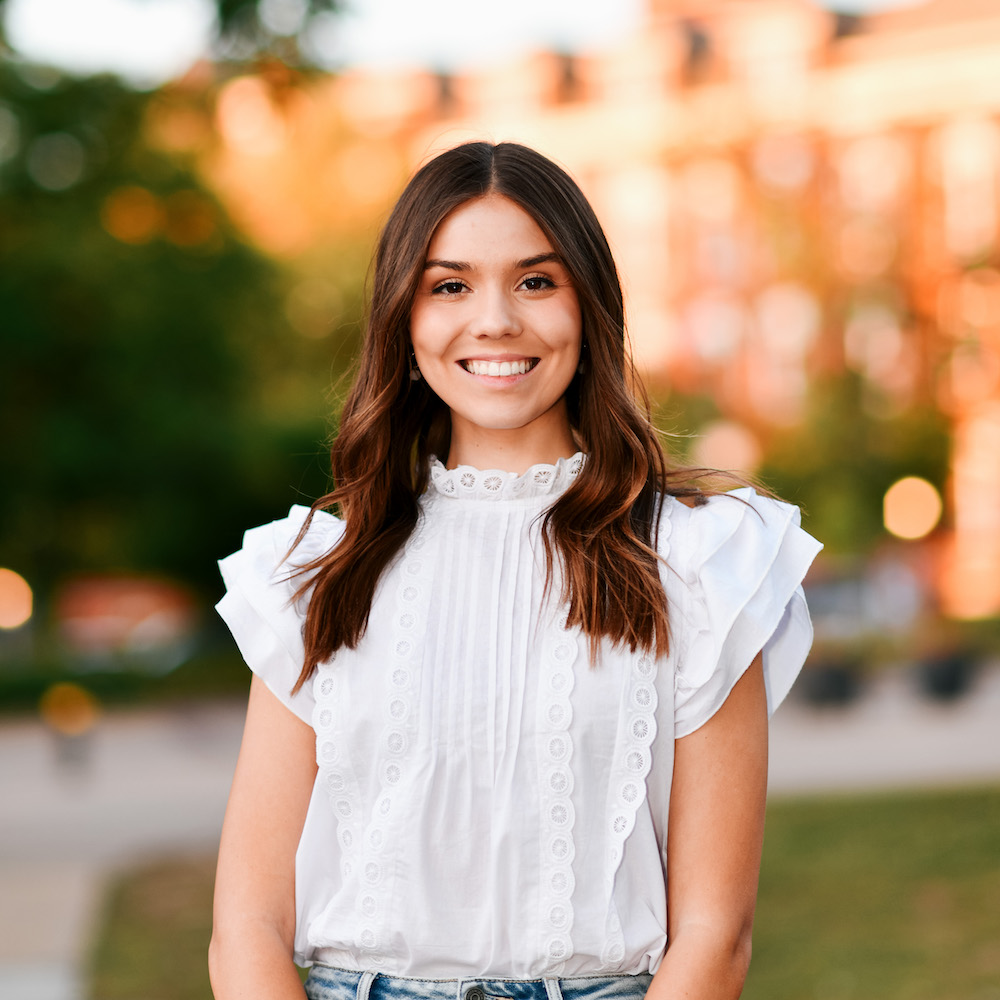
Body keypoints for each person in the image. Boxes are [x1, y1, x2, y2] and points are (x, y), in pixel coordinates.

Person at [210, 141, 822, 1000]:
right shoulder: (318, 569)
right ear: (404, 317)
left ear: (590, 305)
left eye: (536, 281)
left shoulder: (698, 561)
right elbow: (247, 926)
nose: (495, 319)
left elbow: (715, 937)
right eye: (450, 284)